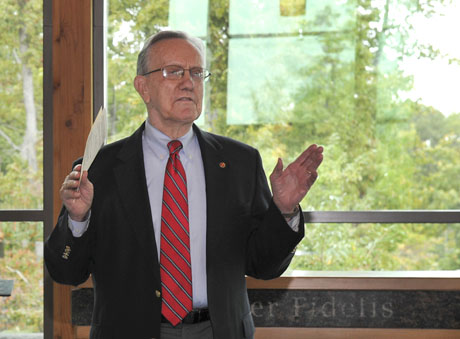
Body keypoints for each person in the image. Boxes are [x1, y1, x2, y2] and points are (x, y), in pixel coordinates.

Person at [45, 30, 323, 339]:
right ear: (143, 87)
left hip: (218, 330)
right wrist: (78, 218)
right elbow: (66, 272)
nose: (188, 82)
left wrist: (283, 212)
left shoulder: (240, 162)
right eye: (173, 71)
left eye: (196, 72)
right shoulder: (100, 169)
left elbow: (265, 265)